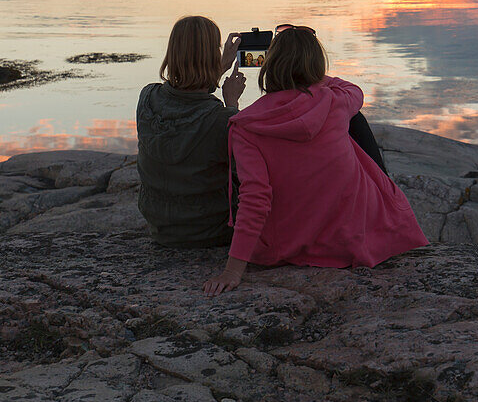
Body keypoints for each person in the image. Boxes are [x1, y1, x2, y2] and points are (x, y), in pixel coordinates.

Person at [203, 24, 428, 297]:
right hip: (347, 241)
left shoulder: (246, 125)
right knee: (356, 123)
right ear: (317, 66)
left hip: (283, 247)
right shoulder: (335, 100)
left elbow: (255, 198)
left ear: (269, 66)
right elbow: (354, 90)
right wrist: (310, 72)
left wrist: (233, 271)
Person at [136, 15, 247, 247]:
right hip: (211, 229)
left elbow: (186, 102)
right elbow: (246, 170)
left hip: (161, 226)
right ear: (210, 55)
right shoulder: (221, 119)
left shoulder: (147, 98)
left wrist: (219, 70)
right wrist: (232, 104)